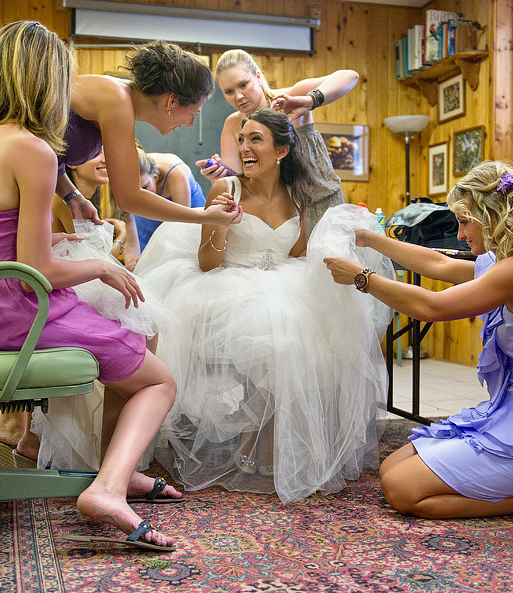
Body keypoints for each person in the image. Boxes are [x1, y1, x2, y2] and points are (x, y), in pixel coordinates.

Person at [0, 20, 176, 550]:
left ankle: (120, 468)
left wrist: (71, 205)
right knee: (158, 379)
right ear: (47, 78)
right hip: (13, 311)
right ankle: (109, 488)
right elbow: (37, 270)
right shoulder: (32, 150)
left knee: (129, 329)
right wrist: (101, 266)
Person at [134, 109, 391, 503]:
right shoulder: (226, 189)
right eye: (242, 139)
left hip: (284, 279)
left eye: (255, 139)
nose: (244, 147)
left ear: (282, 150)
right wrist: (221, 226)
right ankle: (262, 434)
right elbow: (207, 263)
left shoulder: (301, 197)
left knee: (313, 334)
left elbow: (299, 253)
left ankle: (263, 434)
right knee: (274, 342)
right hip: (224, 283)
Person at [323, 160, 513, 518]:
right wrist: (370, 238)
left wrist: (363, 278)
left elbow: (432, 307)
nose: (459, 234)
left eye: (464, 221)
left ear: (492, 218)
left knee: (401, 489)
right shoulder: (512, 261)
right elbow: (439, 266)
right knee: (390, 467)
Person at [55, 40, 241, 229]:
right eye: (193, 114)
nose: (191, 124)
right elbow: (129, 198)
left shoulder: (120, 99)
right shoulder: (118, 101)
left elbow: (55, 159)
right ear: (171, 101)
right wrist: (204, 215)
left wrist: (72, 196)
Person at [197, 49, 358, 236]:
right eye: (229, 91)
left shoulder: (291, 98)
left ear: (257, 76)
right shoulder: (233, 124)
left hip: (323, 208)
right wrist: (219, 177)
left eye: (243, 85)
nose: (238, 96)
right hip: (280, 221)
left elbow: (349, 76)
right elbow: (242, 183)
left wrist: (309, 100)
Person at [134, 149, 207, 251]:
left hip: (186, 215)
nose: (143, 194)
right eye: (136, 190)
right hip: (146, 220)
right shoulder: (131, 168)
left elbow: (183, 225)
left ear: (153, 171)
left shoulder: (175, 174)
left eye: (145, 187)